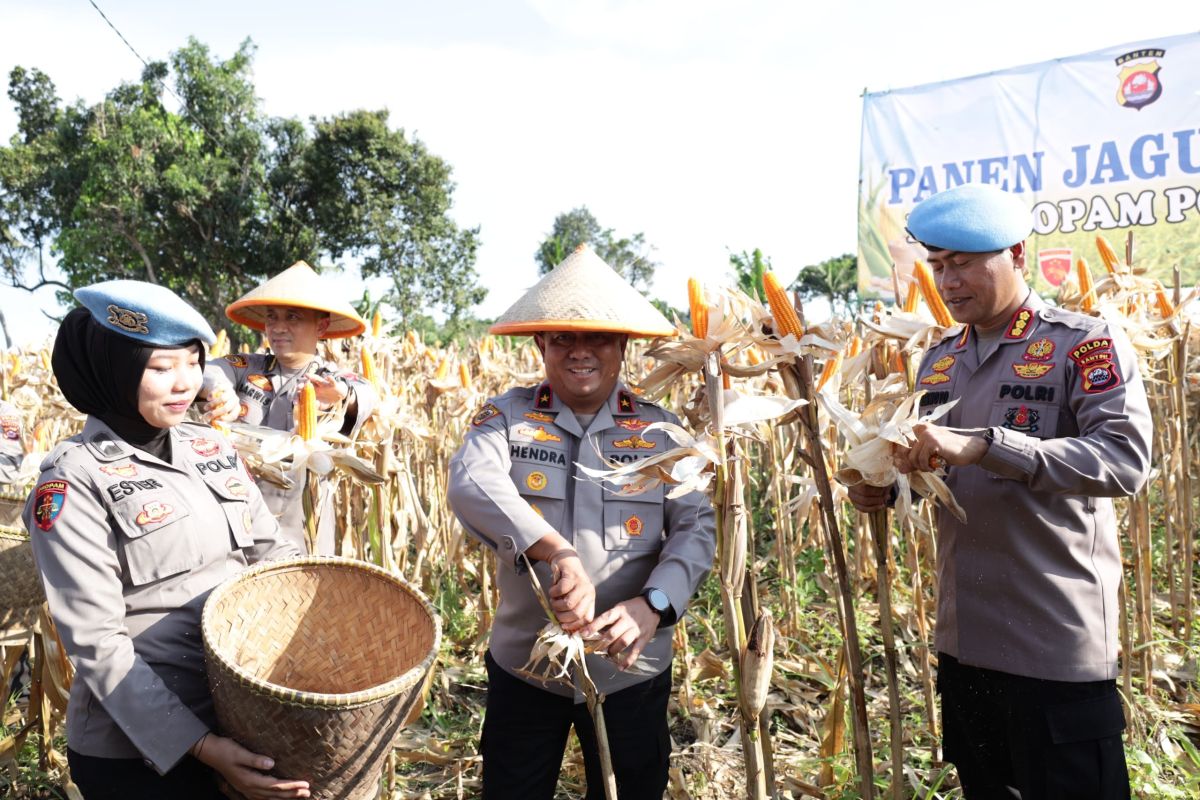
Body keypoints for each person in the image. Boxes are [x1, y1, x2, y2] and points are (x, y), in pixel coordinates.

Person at [849, 183, 1151, 800]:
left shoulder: (1083, 343)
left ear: (1015, 254)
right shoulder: (937, 361)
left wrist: (988, 444)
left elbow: (1124, 462)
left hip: (1055, 643)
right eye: (938, 266)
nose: (948, 281)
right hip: (967, 644)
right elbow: (939, 478)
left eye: (963, 264)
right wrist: (888, 488)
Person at [447, 245, 716, 800]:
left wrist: (654, 606)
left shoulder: (661, 431)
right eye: (563, 338)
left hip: (631, 668)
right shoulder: (505, 418)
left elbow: (695, 528)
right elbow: (470, 482)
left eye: (596, 337)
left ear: (622, 346)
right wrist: (557, 552)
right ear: (541, 343)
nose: (579, 352)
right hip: (528, 665)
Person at [24, 280, 309, 800]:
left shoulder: (208, 446)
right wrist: (199, 745)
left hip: (238, 715)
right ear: (113, 370)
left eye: (193, 362)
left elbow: (273, 552)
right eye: (160, 368)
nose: (185, 383)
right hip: (138, 749)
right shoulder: (74, 480)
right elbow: (97, 642)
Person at [201, 261, 377, 554]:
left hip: (303, 526)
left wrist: (341, 394)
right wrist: (220, 392)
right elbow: (209, 370)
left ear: (321, 326)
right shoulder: (247, 367)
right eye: (272, 318)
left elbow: (366, 392)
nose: (278, 328)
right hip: (236, 524)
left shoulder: (332, 379)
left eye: (292, 318)